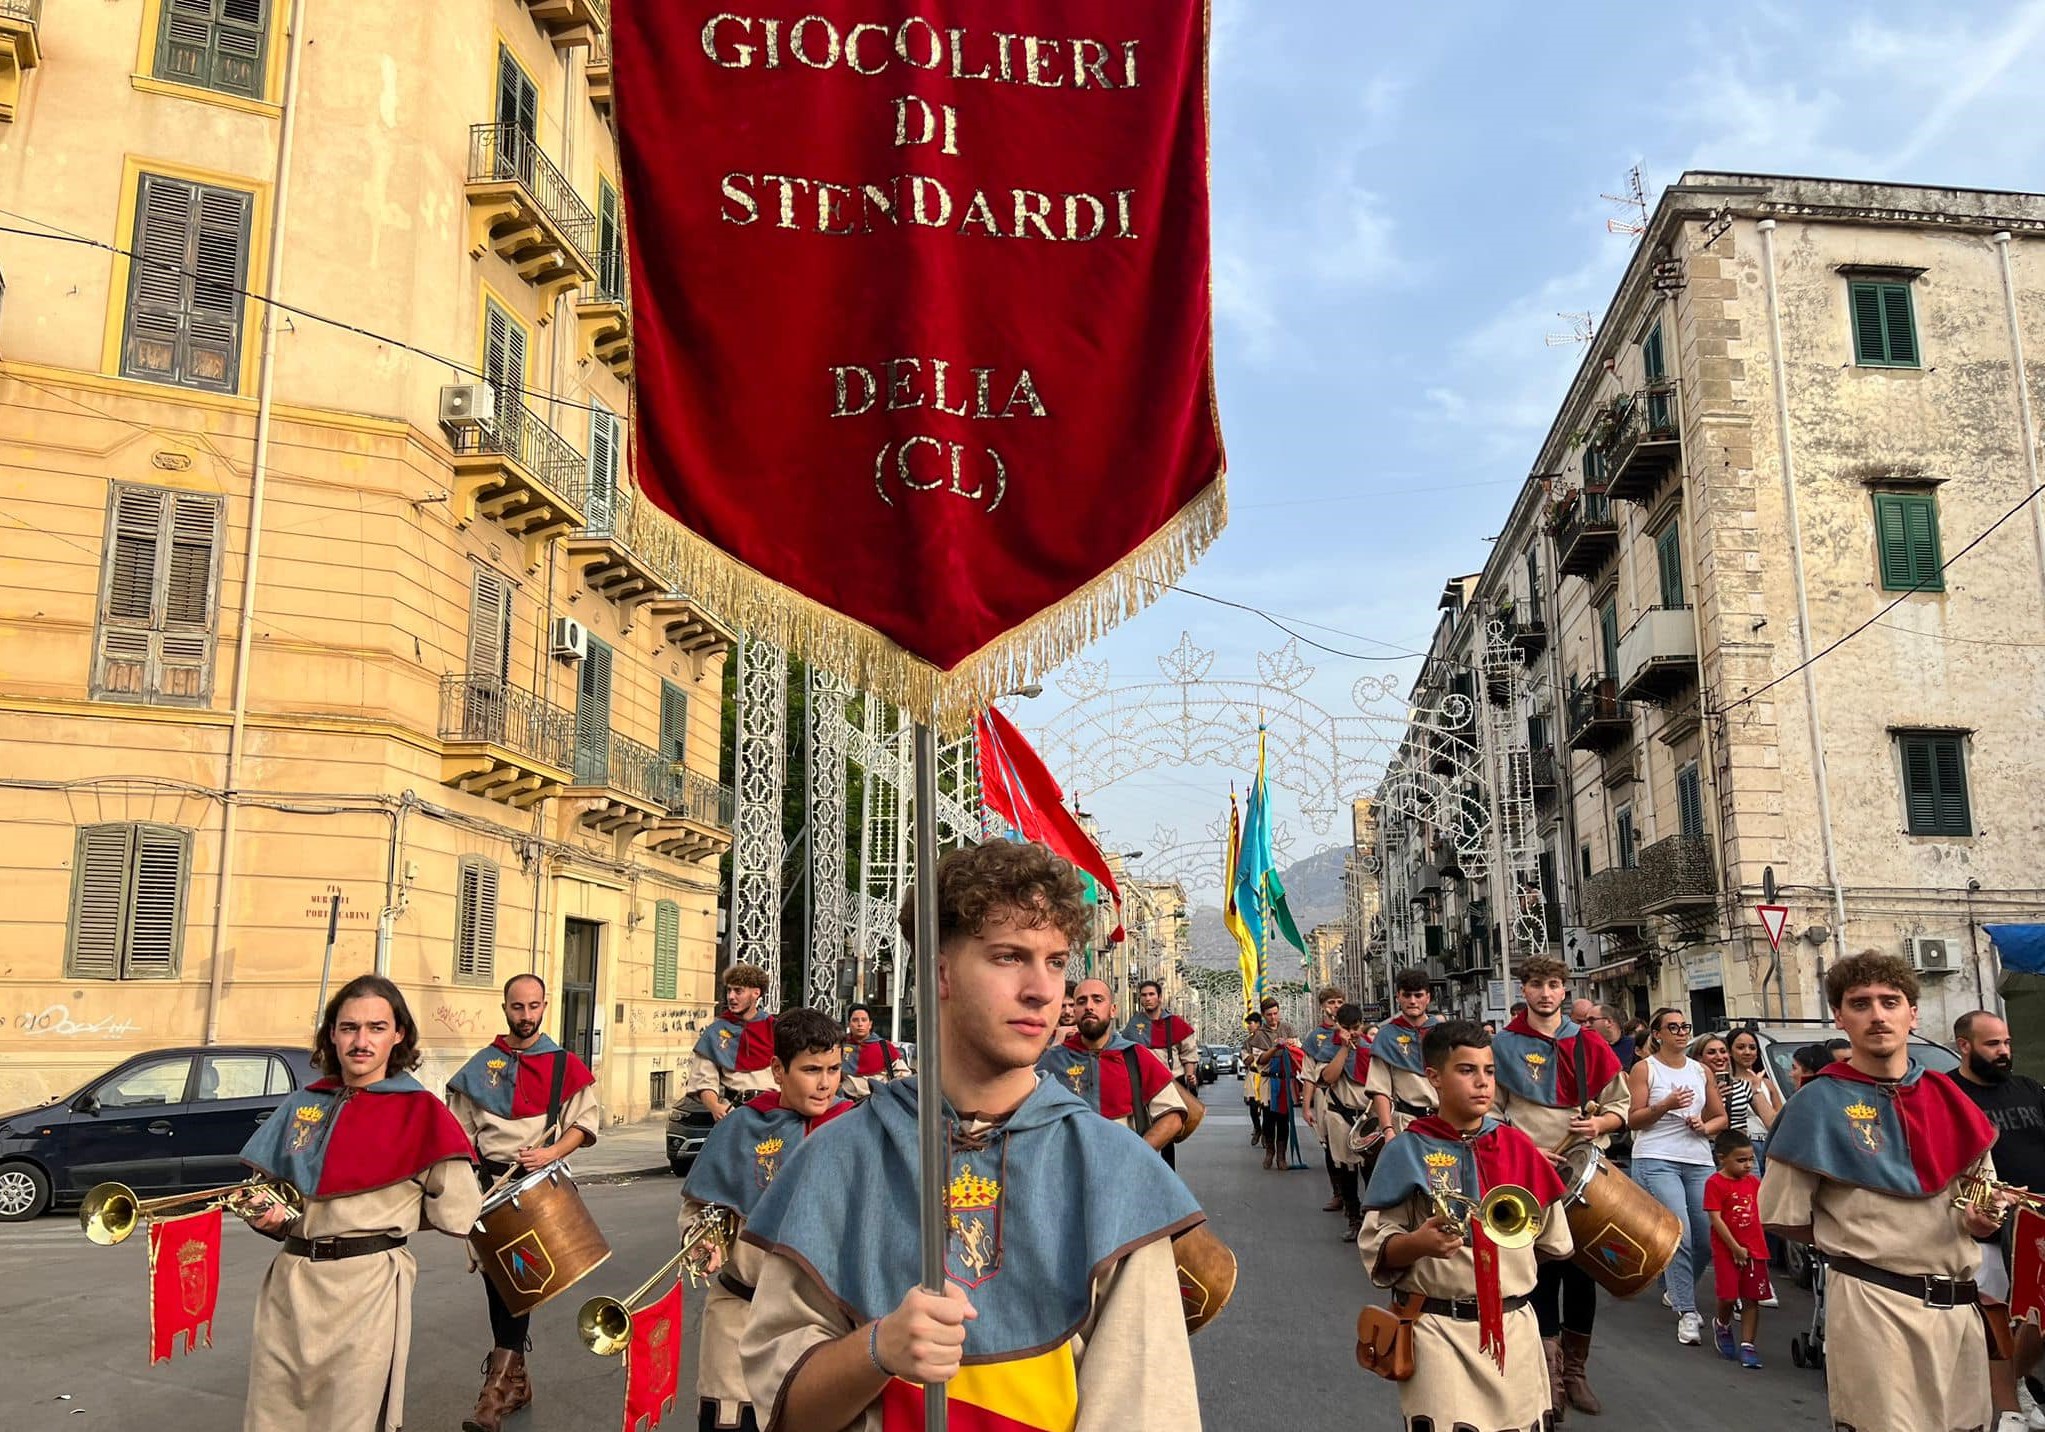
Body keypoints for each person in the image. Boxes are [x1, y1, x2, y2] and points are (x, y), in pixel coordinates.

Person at [738, 839, 1204, 1431]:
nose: (1042, 988)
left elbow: (1144, 1412)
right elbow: (786, 1411)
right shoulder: (836, 1158)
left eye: (1056, 961)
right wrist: (877, 1350)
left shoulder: (1114, 1171)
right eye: (1009, 956)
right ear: (941, 971)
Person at [1761, 952, 2002, 1432]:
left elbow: (1981, 1195)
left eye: (1890, 1002)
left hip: (1957, 1309)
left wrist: (1981, 1219)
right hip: (1874, 1303)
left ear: (1912, 1013)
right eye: (1860, 1003)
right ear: (1839, 1016)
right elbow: (1781, 1215)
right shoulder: (1816, 1104)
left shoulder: (1950, 1097)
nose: (1877, 1015)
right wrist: (1862, 1238)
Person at [239, 974, 480, 1432]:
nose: (361, 1041)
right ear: (332, 1033)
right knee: (274, 1416)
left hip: (368, 1286)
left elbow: (458, 1210)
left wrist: (392, 1214)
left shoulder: (422, 1112)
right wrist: (265, 1216)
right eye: (349, 1027)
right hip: (290, 1284)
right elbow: (264, 1192)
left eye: (376, 1027)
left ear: (398, 1034)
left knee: (351, 1420)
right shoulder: (302, 1104)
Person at [1359, 1019, 1572, 1431]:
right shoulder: (1407, 1150)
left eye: (1489, 1071)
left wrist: (1503, 1277)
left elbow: (1551, 1241)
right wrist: (1418, 1244)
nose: (1482, 1083)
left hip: (1514, 1331)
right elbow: (1377, 1247)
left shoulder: (1517, 1146)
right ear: (1434, 1078)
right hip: (1439, 1331)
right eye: (1466, 1070)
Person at [683, 1007, 854, 1432]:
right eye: (811, 1069)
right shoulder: (741, 1126)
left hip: (827, 1327)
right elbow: (697, 1211)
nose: (825, 1083)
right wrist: (702, 1241)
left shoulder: (858, 1128)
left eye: (833, 1069)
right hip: (740, 1317)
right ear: (778, 1070)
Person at [445, 973, 601, 1432]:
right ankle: (515, 1381)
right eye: (518, 1007)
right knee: (502, 1288)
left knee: (520, 1286)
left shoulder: (562, 1064)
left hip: (537, 1191)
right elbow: (460, 1136)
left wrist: (551, 1152)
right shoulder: (481, 1066)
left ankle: (494, 1393)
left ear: (545, 1007)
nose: (526, 1016)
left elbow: (583, 1124)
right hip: (488, 1191)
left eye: (534, 1007)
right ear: (505, 1008)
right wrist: (467, 1186)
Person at [1491, 957, 1628, 1418]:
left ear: (1564, 991)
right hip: (1527, 1176)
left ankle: (1576, 1373)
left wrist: (1598, 1123)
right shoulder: (1504, 1045)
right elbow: (1490, 1113)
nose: (1545, 994)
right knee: (1540, 1274)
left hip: (1582, 1175)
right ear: (1524, 990)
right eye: (1535, 985)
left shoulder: (1588, 1044)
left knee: (1582, 1274)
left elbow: (1621, 1107)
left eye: (1553, 985)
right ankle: (1548, 1379)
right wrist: (1524, 1150)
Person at [1953, 1009, 2045, 1432]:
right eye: (1993, 1044)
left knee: (2035, 1316)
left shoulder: (2027, 1088)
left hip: (2039, 1217)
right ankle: (2008, 1406)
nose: (2004, 1052)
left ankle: (2023, 1381)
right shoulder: (1950, 1095)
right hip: (1988, 1223)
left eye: (2007, 1043)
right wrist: (1987, 1200)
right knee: (1998, 1320)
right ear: (1965, 1045)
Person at [1626, 1006, 1726, 1345]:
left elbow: (1719, 1118)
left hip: (1697, 1159)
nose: (1682, 1032)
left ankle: (1674, 1287)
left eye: (1685, 1026)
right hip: (1656, 1157)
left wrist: (1704, 1126)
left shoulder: (1701, 1071)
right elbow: (1634, 1119)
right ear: (1657, 1034)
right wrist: (1666, 1105)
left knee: (1705, 1237)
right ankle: (1687, 1311)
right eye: (1673, 1027)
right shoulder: (1645, 1069)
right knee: (1679, 1234)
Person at [1038, 976, 1187, 1154]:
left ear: (1112, 1010)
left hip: (1123, 1167)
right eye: (1081, 1001)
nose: (1089, 1006)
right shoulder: (1054, 1060)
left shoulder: (1136, 1055)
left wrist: (1139, 1154)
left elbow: (1173, 1116)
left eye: (1097, 1000)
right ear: (1075, 1010)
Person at [1313, 1001, 1380, 1243]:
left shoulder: (1371, 1049)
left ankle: (1374, 1219)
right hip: (1341, 1115)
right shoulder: (1330, 1049)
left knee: (1372, 1170)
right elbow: (1328, 1077)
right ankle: (1354, 1217)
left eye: (1356, 1027)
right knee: (1347, 1170)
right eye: (1347, 1027)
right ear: (1338, 1026)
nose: (1352, 1032)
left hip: (1368, 1117)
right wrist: (1343, 1048)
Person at [1704, 1130, 1771, 1369]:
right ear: (1722, 1158)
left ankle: (1747, 1344)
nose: (1748, 1165)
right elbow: (1716, 1218)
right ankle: (1722, 1324)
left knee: (1752, 1298)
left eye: (1751, 1159)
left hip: (1755, 1249)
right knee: (1729, 1296)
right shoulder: (1715, 1183)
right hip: (1727, 1250)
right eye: (1741, 1160)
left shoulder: (1754, 1183)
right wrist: (1734, 1247)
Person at [689, 964, 777, 1121]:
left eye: (738, 991)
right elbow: (704, 1080)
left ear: (756, 993)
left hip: (775, 1111)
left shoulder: (776, 1029)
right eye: (729, 990)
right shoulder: (715, 1032)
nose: (731, 996)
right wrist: (715, 1107)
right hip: (735, 1112)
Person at [1368, 967, 1443, 1141]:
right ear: (1398, 997)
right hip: (1406, 1123)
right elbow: (1380, 1089)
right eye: (1407, 995)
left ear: (1428, 998)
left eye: (1418, 995)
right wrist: (1387, 1130)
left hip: (1444, 1121)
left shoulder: (1444, 1033)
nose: (1412, 1001)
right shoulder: (1386, 1037)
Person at [1300, 985, 1350, 1213]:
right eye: (1331, 1003)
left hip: (1350, 1094)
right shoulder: (1315, 1037)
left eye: (1339, 1002)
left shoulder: (1353, 1031)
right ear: (1323, 1007)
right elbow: (1309, 1074)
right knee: (1330, 1145)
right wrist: (1306, 1106)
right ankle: (1338, 1193)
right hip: (1324, 1095)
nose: (1336, 1007)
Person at [1245, 996, 1303, 1170]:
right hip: (1268, 1080)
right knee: (1269, 1119)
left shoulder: (1287, 1028)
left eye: (1276, 1013)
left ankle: (1281, 1156)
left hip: (1285, 1080)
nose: (1273, 1017)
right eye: (1269, 1014)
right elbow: (1260, 1060)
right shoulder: (1259, 1035)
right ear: (1264, 1015)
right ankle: (1269, 1151)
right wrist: (1274, 1048)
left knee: (1284, 1119)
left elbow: (1299, 1051)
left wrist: (1292, 1044)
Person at [1124, 978, 1201, 1089]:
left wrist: (1190, 1075)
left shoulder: (1175, 1023)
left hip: (1173, 1082)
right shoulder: (1133, 1024)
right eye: (1144, 995)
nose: (1148, 998)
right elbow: (1125, 1054)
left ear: (1160, 998)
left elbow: (1189, 1052)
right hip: (1144, 1083)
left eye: (1151, 994)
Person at [1725, 1028, 1779, 1164]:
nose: (1747, 1052)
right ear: (1730, 1051)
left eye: (1752, 1047)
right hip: (1742, 1144)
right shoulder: (1726, 1084)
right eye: (1740, 1047)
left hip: (1769, 1144)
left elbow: (1778, 1118)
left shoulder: (1767, 1083)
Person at [839, 1002, 909, 1102]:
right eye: (855, 1020)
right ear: (849, 1024)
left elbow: (903, 1075)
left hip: (878, 1103)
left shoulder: (885, 1047)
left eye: (864, 1020)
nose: (860, 1024)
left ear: (870, 1024)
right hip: (845, 1103)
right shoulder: (839, 1046)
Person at [1240, 1008, 1268, 1147]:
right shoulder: (1247, 1042)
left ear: (1258, 1024)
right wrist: (1255, 1053)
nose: (1250, 1026)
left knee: (1266, 1107)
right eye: (1248, 1023)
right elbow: (1246, 1060)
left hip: (1265, 1076)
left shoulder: (1267, 1038)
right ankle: (1257, 1128)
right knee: (1253, 1106)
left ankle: (1267, 1134)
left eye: (1252, 1023)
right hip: (1253, 1075)